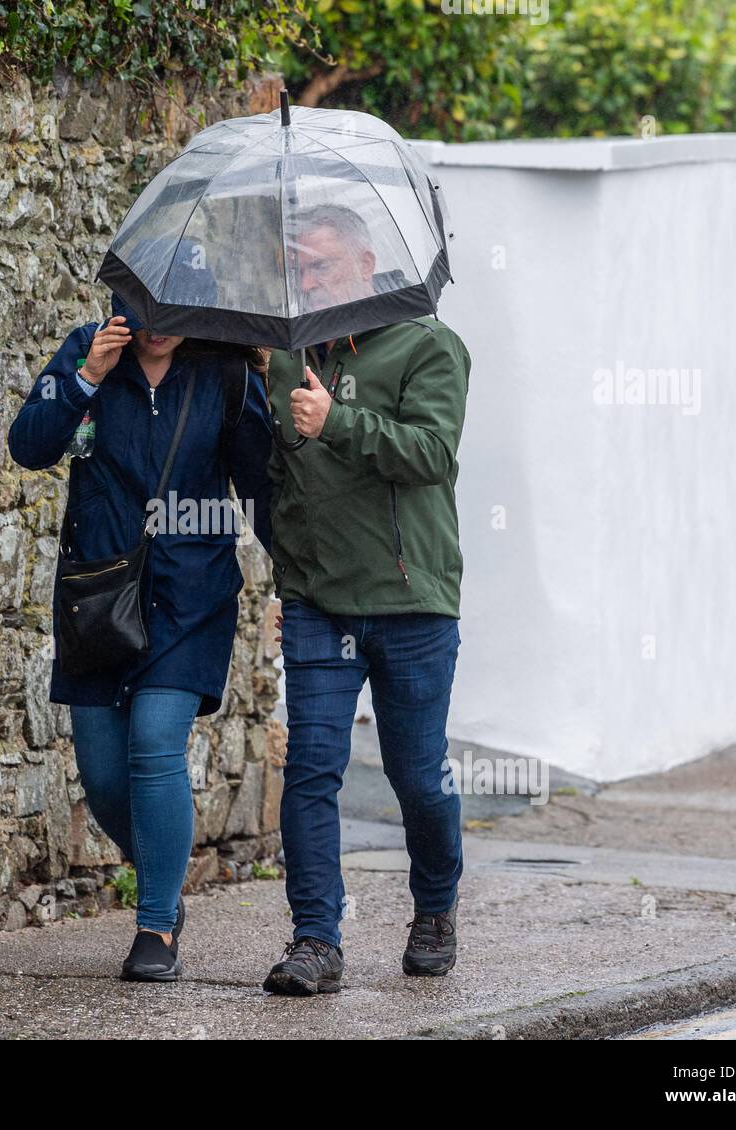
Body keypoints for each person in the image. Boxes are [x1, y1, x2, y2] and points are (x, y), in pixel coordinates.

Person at [7, 249, 273, 983]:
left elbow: (260, 488)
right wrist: (85, 376)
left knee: (156, 744)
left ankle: (156, 925)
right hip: (98, 596)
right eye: (139, 308)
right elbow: (29, 447)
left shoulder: (223, 375)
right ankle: (163, 875)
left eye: (171, 311)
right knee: (103, 776)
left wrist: (297, 583)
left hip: (191, 596)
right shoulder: (86, 357)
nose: (153, 327)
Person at [260, 203, 472, 995]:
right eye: (299, 267)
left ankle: (436, 907)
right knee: (311, 769)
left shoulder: (430, 344)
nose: (306, 280)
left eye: (319, 265)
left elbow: (430, 455)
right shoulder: (287, 360)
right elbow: (282, 483)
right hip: (319, 603)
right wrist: (288, 577)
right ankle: (316, 939)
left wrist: (338, 420)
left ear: (363, 262)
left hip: (413, 599)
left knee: (416, 774)